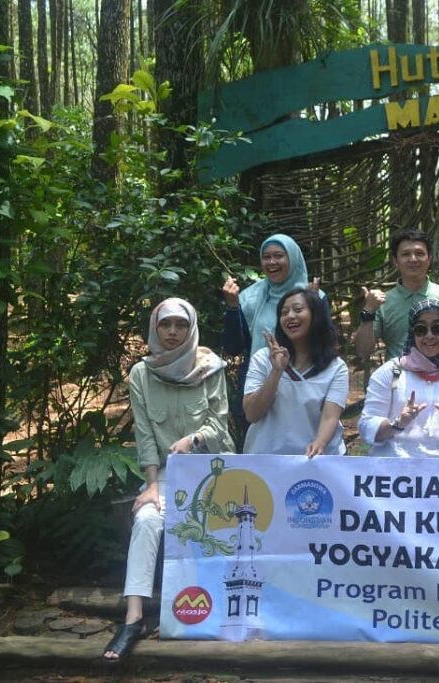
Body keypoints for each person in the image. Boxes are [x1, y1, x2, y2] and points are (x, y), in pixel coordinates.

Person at [103, 298, 231, 661]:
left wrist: (195, 438)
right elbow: (145, 436)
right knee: (146, 519)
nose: (173, 332)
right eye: (166, 324)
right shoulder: (142, 374)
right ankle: (134, 619)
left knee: (211, 524)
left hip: (211, 474)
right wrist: (152, 486)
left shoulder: (210, 367)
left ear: (191, 328)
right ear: (155, 328)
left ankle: (212, 611)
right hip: (167, 477)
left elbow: (220, 426)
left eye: (180, 324)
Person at [222, 234, 323, 439]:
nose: (272, 262)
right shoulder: (250, 297)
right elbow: (234, 346)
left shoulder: (314, 296)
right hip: (258, 383)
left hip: (302, 384)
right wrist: (233, 306)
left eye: (278, 256)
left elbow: (324, 344)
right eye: (266, 257)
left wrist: (315, 311)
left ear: (292, 258)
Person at [359, 299, 439, 458]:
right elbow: (366, 427)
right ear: (412, 333)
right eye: (421, 329)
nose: (429, 335)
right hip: (396, 468)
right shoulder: (389, 373)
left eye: (437, 329)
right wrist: (397, 424)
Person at [242, 288, 348, 456]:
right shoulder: (263, 359)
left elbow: (330, 416)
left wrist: (320, 443)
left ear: (316, 316)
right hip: (266, 459)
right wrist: (276, 372)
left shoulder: (336, 367)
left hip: (315, 460)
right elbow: (252, 414)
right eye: (284, 313)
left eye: (298, 310)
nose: (290, 316)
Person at [354, 229, 439, 366]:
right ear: (395, 260)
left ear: (429, 259)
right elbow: (363, 352)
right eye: (406, 254)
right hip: (398, 376)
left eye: (419, 253)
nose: (413, 259)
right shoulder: (382, 302)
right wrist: (368, 311)